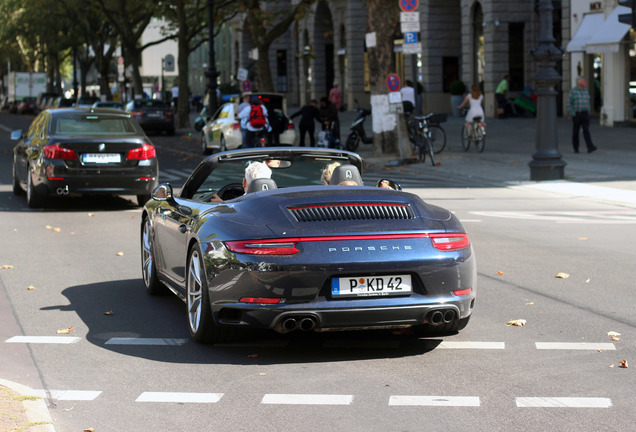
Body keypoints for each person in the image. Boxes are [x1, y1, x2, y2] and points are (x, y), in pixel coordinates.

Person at [568, 76, 597, 154]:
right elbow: (569, 103)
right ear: (579, 82)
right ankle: (576, 148)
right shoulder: (573, 91)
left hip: (585, 113)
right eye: (584, 81)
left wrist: (588, 112)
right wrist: (573, 113)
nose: (585, 83)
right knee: (576, 131)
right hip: (577, 113)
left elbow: (587, 101)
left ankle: (590, 146)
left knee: (586, 130)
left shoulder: (585, 91)